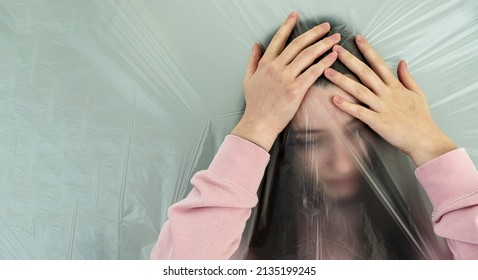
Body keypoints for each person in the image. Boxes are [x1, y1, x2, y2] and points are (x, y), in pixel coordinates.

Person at [151, 12, 478, 259]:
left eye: (356, 133)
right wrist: (257, 127)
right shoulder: (243, 240)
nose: (342, 164)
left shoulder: (432, 230)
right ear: (284, 148)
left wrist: (429, 143)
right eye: (311, 141)